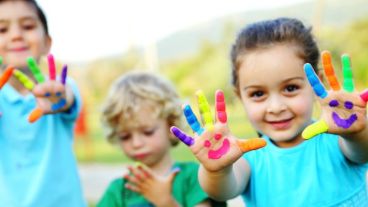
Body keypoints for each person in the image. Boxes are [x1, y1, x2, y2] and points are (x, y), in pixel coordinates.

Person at [171, 17, 368, 206]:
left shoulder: (340, 141)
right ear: (240, 96)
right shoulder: (248, 159)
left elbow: (362, 150)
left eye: (290, 88)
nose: (275, 107)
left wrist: (357, 132)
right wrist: (216, 170)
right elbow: (223, 190)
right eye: (258, 94)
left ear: (318, 83)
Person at [0, 0, 86, 206]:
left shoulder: (61, 87)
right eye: (2, 29)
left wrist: (59, 98)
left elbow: (66, 98)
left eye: (28, 26)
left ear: (47, 42)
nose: (16, 35)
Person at [98, 71, 227, 207]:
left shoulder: (195, 177)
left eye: (148, 132)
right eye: (125, 136)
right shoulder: (118, 191)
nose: (136, 143)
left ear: (171, 125)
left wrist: (166, 203)